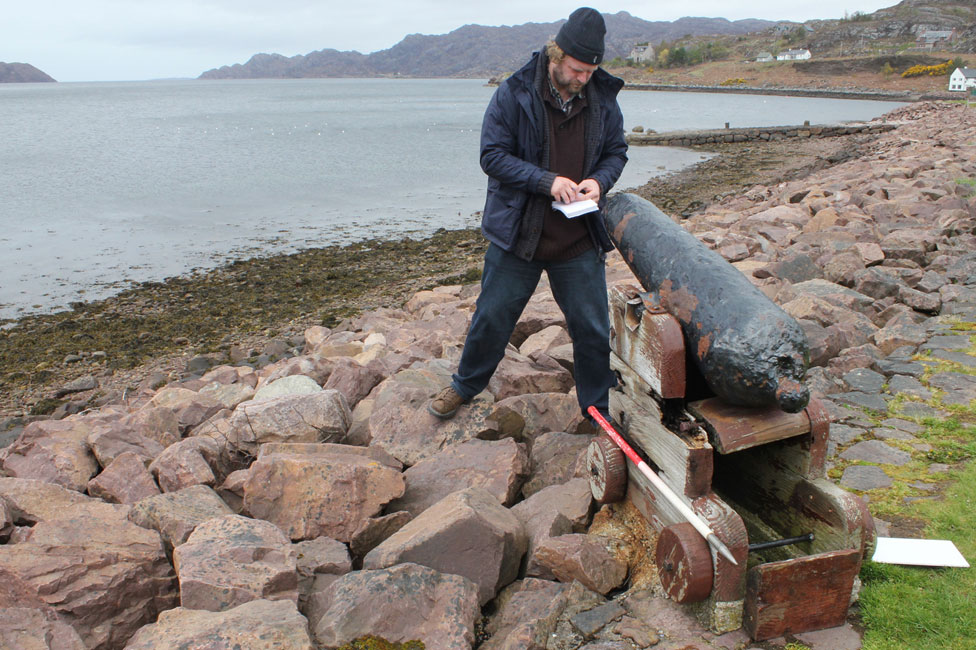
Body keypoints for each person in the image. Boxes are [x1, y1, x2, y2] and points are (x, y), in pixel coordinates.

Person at [428, 7, 628, 425]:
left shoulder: (602, 98)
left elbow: (616, 152)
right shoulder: (514, 92)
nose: (583, 79)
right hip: (519, 235)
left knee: (592, 330)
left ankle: (599, 411)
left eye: (590, 71)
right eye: (576, 70)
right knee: (492, 318)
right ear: (555, 57)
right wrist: (546, 181)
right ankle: (464, 385)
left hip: (577, 239)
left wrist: (598, 181)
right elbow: (492, 156)